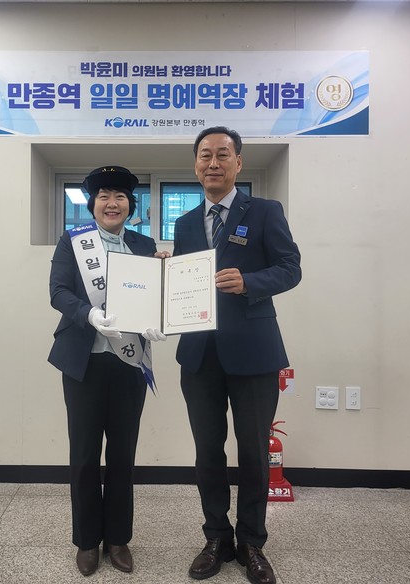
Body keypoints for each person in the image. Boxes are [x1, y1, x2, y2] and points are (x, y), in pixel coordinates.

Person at [174, 127, 301, 584]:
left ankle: (251, 542)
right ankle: (215, 538)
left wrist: (250, 283)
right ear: (195, 164)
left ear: (238, 163)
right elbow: (185, 283)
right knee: (207, 451)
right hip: (199, 354)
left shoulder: (265, 211)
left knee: (253, 452)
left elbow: (290, 268)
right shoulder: (185, 222)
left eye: (222, 155)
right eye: (205, 155)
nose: (213, 163)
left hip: (254, 352)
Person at [48, 165, 166, 577]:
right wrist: (89, 314)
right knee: (83, 455)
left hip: (128, 363)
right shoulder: (73, 241)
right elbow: (58, 292)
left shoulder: (144, 244)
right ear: (93, 205)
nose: (112, 203)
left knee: (122, 455)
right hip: (84, 362)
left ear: (130, 205)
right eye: (104, 196)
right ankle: (86, 541)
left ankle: (117, 538)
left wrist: (159, 319)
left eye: (119, 197)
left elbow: (154, 296)